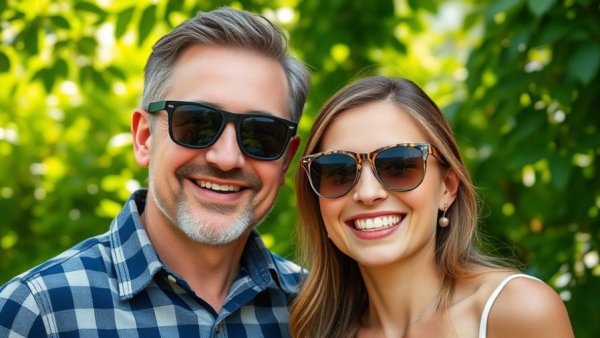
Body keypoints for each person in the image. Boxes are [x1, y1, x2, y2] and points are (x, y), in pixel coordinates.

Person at [0, 6, 310, 337]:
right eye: (197, 123)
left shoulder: (318, 310)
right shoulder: (36, 313)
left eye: (261, 134)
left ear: (286, 160)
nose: (227, 157)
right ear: (144, 138)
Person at [289, 76, 573, 337]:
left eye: (399, 166)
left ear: (447, 187)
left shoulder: (516, 310)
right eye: (338, 172)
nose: (367, 193)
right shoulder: (310, 329)